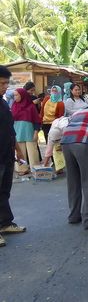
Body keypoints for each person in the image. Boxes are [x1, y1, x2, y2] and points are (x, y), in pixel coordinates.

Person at [0, 65, 27, 248]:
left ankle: (5, 223)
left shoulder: (3, 103)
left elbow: (9, 130)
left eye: (6, 84)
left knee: (4, 191)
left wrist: (17, 149)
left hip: (6, 154)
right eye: (1, 83)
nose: (4, 87)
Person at [11, 88, 41, 175]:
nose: (15, 97)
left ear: (22, 95)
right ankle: (22, 169)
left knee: (33, 152)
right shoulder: (14, 105)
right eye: (14, 95)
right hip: (17, 131)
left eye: (16, 95)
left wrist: (36, 132)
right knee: (20, 152)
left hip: (29, 132)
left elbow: (36, 120)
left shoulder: (30, 106)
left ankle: (35, 169)